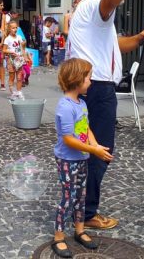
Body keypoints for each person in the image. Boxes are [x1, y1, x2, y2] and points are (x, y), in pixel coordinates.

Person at [65, 0, 144, 229]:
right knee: (100, 149)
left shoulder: (90, 12)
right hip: (98, 88)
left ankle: (79, 204)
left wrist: (139, 37)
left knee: (86, 147)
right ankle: (87, 213)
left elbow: (115, 44)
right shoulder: (96, 3)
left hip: (88, 85)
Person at [51, 58, 113, 257]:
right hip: (67, 161)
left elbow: (85, 127)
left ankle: (79, 231)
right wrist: (92, 150)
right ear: (77, 80)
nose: (91, 82)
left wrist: (94, 145)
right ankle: (58, 238)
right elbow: (68, 139)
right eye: (88, 78)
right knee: (68, 199)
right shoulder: (65, 107)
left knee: (81, 197)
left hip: (82, 159)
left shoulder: (82, 103)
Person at [3, 20, 26, 100]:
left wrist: (25, 56)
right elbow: (4, 50)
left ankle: (19, 92)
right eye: (13, 28)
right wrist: (11, 51)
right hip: (11, 60)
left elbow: (22, 48)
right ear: (9, 29)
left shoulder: (19, 37)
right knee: (12, 77)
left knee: (19, 77)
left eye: (16, 28)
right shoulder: (7, 39)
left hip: (19, 60)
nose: (15, 29)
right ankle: (12, 93)